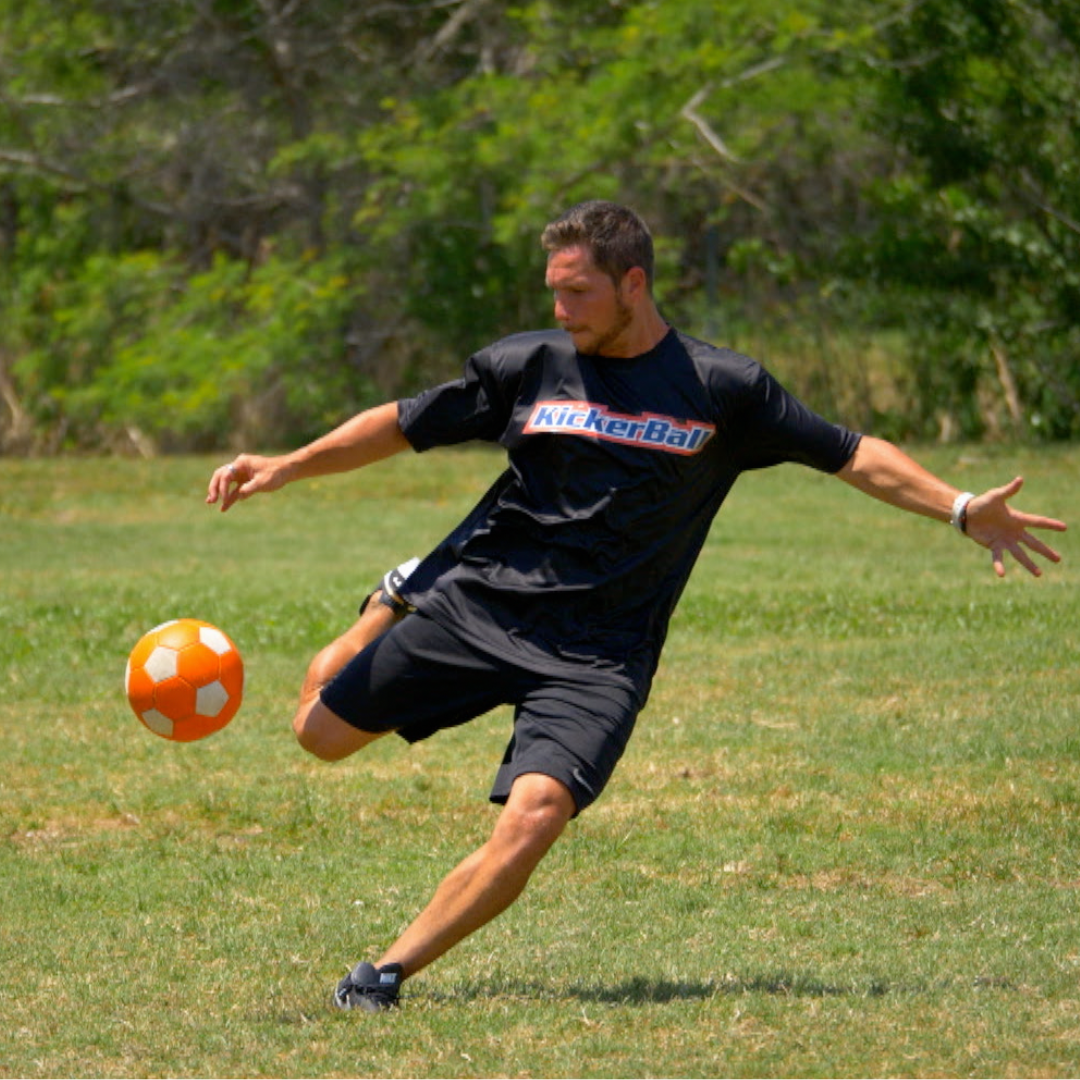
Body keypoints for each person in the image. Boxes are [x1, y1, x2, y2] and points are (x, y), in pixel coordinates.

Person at [206, 200, 1066, 1012]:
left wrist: (959, 509)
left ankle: (382, 974)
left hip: (600, 656)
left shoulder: (722, 388)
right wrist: (287, 463)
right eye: (553, 288)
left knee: (537, 814)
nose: (562, 305)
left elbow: (850, 453)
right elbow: (401, 422)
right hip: (481, 605)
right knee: (318, 733)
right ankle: (389, 600)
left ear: (634, 284)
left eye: (577, 289)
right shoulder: (528, 367)